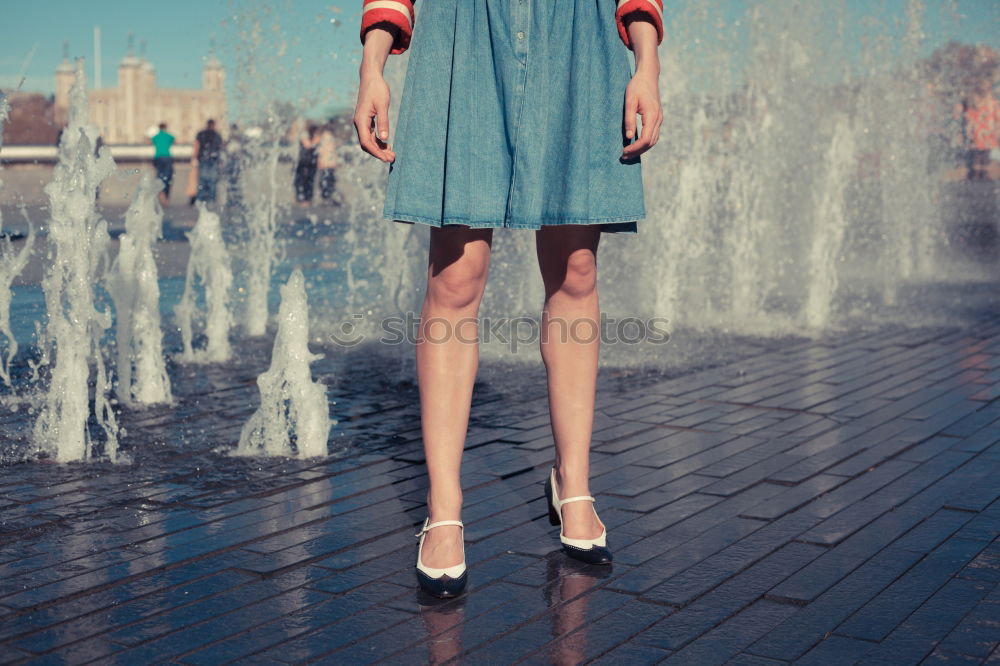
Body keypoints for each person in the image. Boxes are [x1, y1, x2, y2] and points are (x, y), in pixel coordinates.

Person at [355, 0, 664, 598]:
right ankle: (443, 505)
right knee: (455, 278)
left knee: (576, 271)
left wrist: (646, 64)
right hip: (462, 33)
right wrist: (373, 67)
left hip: (579, 35)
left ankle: (573, 482)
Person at [959, 80, 1000, 181]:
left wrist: (997, 128)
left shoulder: (993, 103)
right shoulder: (975, 103)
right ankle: (976, 171)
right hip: (979, 132)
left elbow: (997, 116)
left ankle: (982, 171)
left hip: (987, 132)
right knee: (977, 153)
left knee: (985, 153)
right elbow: (969, 116)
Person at [193, 119, 223, 203]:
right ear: (213, 125)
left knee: (202, 179)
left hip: (203, 158)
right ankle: (212, 198)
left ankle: (200, 198)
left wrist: (195, 157)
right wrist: (221, 161)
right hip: (214, 159)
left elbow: (197, 146)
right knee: (213, 180)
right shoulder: (217, 134)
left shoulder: (201, 134)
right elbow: (220, 148)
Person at [294, 124, 320, 206]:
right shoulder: (305, 138)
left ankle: (308, 199)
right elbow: (308, 145)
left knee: (310, 181)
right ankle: (300, 199)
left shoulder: (317, 139)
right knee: (300, 181)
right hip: (303, 162)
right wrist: (315, 141)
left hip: (312, 164)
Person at [151, 123, 175, 205]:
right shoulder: (168, 136)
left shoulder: (156, 136)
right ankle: (165, 195)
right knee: (168, 177)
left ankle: (161, 193)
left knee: (159, 176)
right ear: (165, 128)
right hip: (167, 157)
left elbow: (150, 141)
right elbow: (174, 141)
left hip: (158, 158)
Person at [317, 121, 339, 203]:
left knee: (325, 181)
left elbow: (321, 150)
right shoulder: (329, 136)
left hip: (326, 163)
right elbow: (330, 150)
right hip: (329, 163)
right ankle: (328, 197)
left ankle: (327, 197)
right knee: (329, 181)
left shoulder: (325, 135)